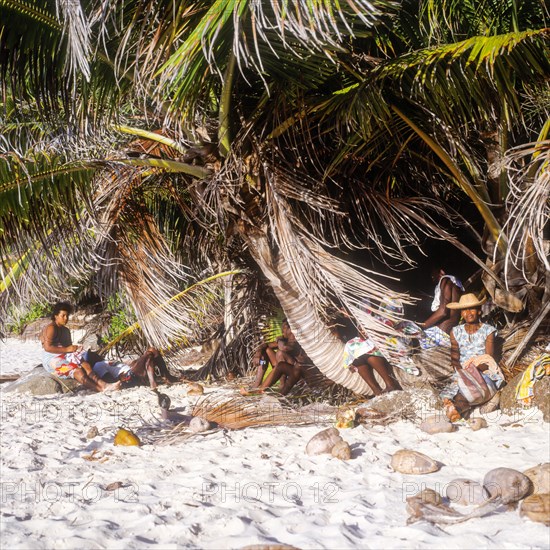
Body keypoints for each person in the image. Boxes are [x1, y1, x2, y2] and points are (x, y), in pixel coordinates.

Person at [441, 293, 505, 421]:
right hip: (462, 371)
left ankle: (457, 408)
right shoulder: (456, 331)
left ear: (479, 311)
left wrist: (472, 373)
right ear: (461, 313)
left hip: (483, 371)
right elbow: (454, 357)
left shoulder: (488, 331)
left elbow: (488, 358)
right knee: (458, 388)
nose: (468, 313)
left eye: (472, 309)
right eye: (464, 310)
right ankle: (457, 409)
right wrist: (461, 373)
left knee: (472, 388)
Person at [41, 302, 121, 393]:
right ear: (56, 316)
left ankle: (104, 385)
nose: (66, 318)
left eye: (67, 316)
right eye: (63, 315)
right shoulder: (51, 328)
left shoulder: (66, 330)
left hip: (65, 355)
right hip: (51, 358)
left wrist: (75, 349)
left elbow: (68, 347)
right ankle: (100, 389)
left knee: (86, 365)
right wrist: (67, 349)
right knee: (77, 370)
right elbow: (47, 348)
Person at [416, 266, 465, 348]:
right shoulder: (457, 286)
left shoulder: (445, 281)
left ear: (441, 272)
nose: (432, 278)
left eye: (433, 275)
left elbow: (443, 311)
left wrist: (421, 326)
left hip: (440, 334)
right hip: (448, 335)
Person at [92, 347, 179, 390]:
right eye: (93, 354)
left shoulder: (104, 362)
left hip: (131, 373)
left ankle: (163, 378)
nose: (96, 354)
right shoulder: (97, 365)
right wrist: (120, 379)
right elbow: (110, 380)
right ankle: (157, 381)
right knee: (151, 351)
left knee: (152, 353)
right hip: (129, 377)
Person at [250, 319, 300, 389]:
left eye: (285, 328)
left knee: (280, 354)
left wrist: (279, 340)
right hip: (280, 366)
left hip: (295, 370)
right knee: (265, 350)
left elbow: (284, 348)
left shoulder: (296, 339)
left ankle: (283, 385)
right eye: (282, 328)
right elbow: (266, 344)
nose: (282, 331)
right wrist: (258, 353)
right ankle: (256, 384)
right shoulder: (283, 339)